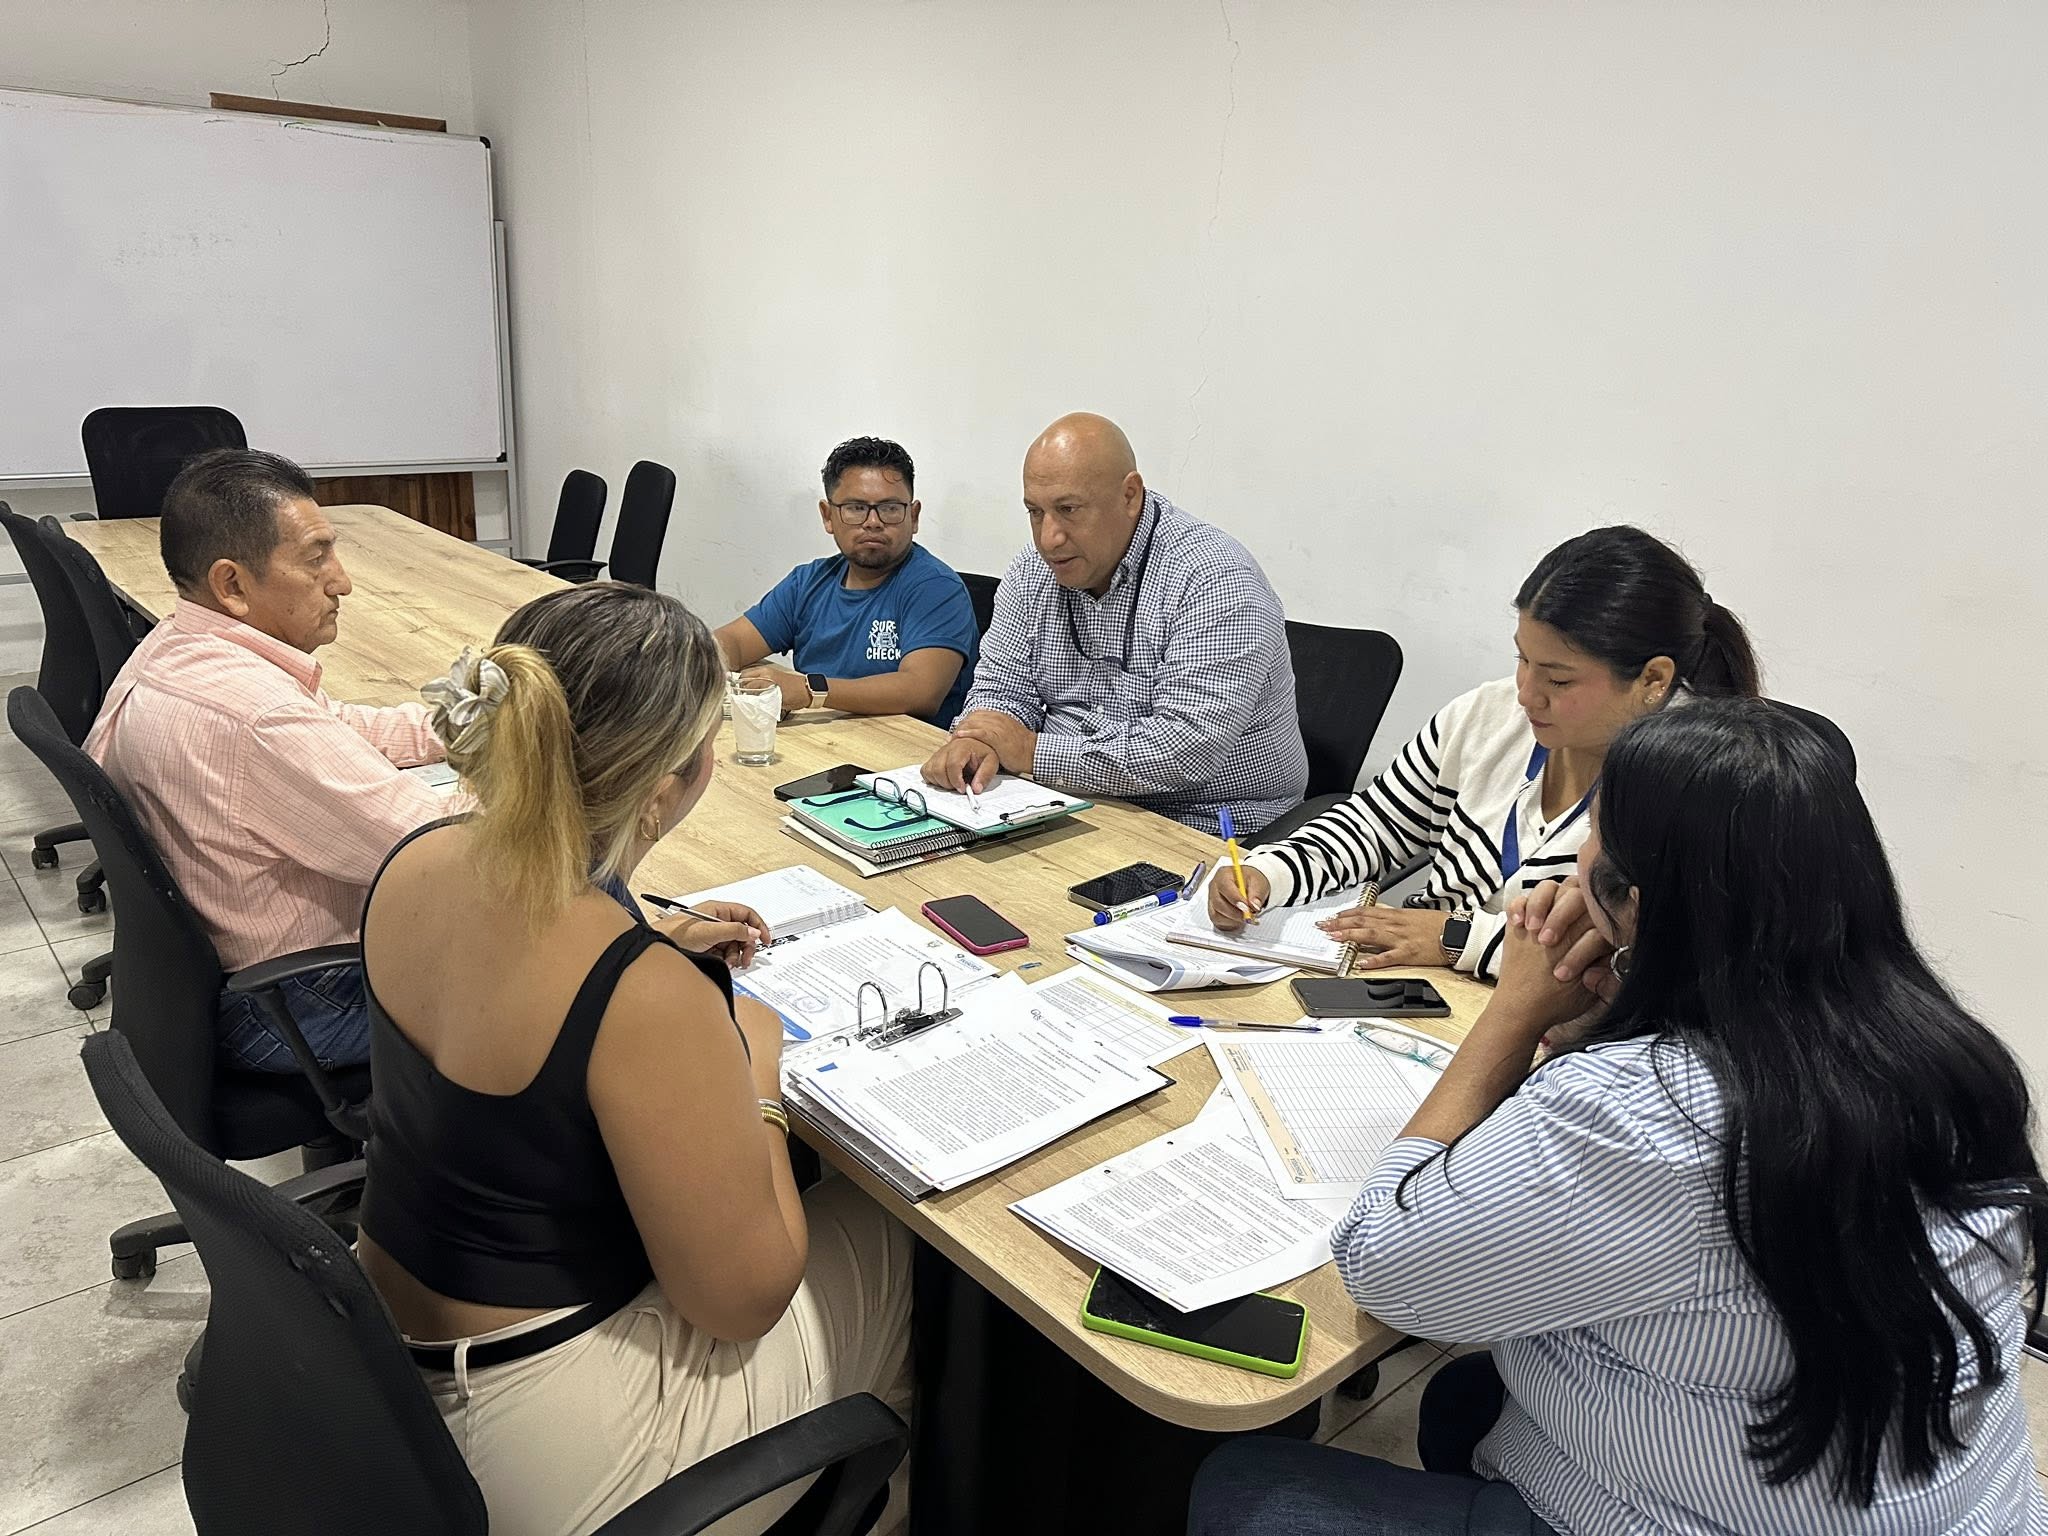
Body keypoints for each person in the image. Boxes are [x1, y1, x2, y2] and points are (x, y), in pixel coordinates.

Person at [1190, 699, 2048, 1536]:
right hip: (1954, 1504)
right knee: (1467, 1398)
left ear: (1636, 901)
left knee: (1248, 1487)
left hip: (1693, 1512)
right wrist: (1613, 1013)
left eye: (1592, 841)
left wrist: (1516, 1013)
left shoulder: (1642, 1110)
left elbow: (1385, 1267)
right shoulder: (1947, 1052)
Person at [356, 582, 912, 1536]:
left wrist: (649, 931)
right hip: (541, 1448)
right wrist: (757, 1077)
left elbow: (515, 964)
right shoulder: (641, 997)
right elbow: (740, 1302)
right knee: (898, 1238)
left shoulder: (417, 857)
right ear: (664, 788)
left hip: (386, 1369)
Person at [1211, 525, 1758, 981]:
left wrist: (1457, 938)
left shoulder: (1697, 781)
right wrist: (1268, 873)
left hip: (1546, 1028)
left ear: (1653, 679)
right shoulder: (1490, 715)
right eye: (1523, 660)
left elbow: (1631, 961)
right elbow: (1378, 826)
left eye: (1558, 679)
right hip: (1417, 987)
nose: (1526, 694)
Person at [84, 448, 447, 1073]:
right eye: (316, 558)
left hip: (237, 984)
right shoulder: (258, 717)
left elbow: (336, 727)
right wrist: (554, 779)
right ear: (232, 585)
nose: (342, 581)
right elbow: (436, 848)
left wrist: (465, 726)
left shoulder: (174, 648)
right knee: (582, 911)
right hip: (303, 1003)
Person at [922, 412, 1307, 832]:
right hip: (1064, 803)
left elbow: (1187, 750)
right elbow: (1001, 689)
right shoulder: (1033, 571)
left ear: (1130, 496)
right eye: (1035, 512)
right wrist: (978, 740)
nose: (1049, 538)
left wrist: (1030, 751)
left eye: (1068, 509)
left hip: (1207, 825)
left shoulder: (1214, 579)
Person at [715, 435, 980, 726]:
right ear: (828, 516)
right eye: (856, 508)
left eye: (890, 508)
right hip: (819, 739)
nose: (873, 522)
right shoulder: (808, 582)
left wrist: (809, 690)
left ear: (913, 516)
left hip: (906, 748)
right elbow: (733, 642)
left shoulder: (937, 588)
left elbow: (920, 691)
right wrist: (704, 659)